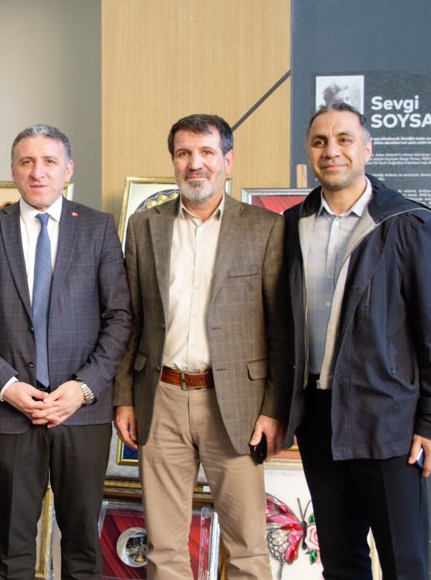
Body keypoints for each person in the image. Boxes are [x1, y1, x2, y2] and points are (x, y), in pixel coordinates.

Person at [283, 101, 431, 579]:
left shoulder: (406, 222)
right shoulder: (292, 224)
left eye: (344, 139)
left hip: (387, 420)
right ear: (308, 152)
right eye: (319, 141)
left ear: (367, 149)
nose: (331, 151)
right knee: (340, 560)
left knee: (403, 562)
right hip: (318, 418)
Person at [114, 114, 291, 580]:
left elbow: (281, 330)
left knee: (248, 547)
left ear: (228, 160)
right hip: (161, 399)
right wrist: (124, 397)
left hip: (236, 406)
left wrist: (273, 409)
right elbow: (130, 319)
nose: (195, 164)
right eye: (184, 153)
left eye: (207, 152)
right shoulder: (144, 226)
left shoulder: (265, 228)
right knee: (163, 547)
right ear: (173, 161)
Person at [0, 124, 131, 579]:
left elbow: (119, 317)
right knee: (13, 545)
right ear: (13, 170)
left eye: (50, 161)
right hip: (10, 412)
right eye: (27, 162)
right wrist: (6, 385)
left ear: (68, 170)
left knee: (81, 543)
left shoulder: (97, 227)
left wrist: (84, 387)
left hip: (82, 412)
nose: (38, 172)